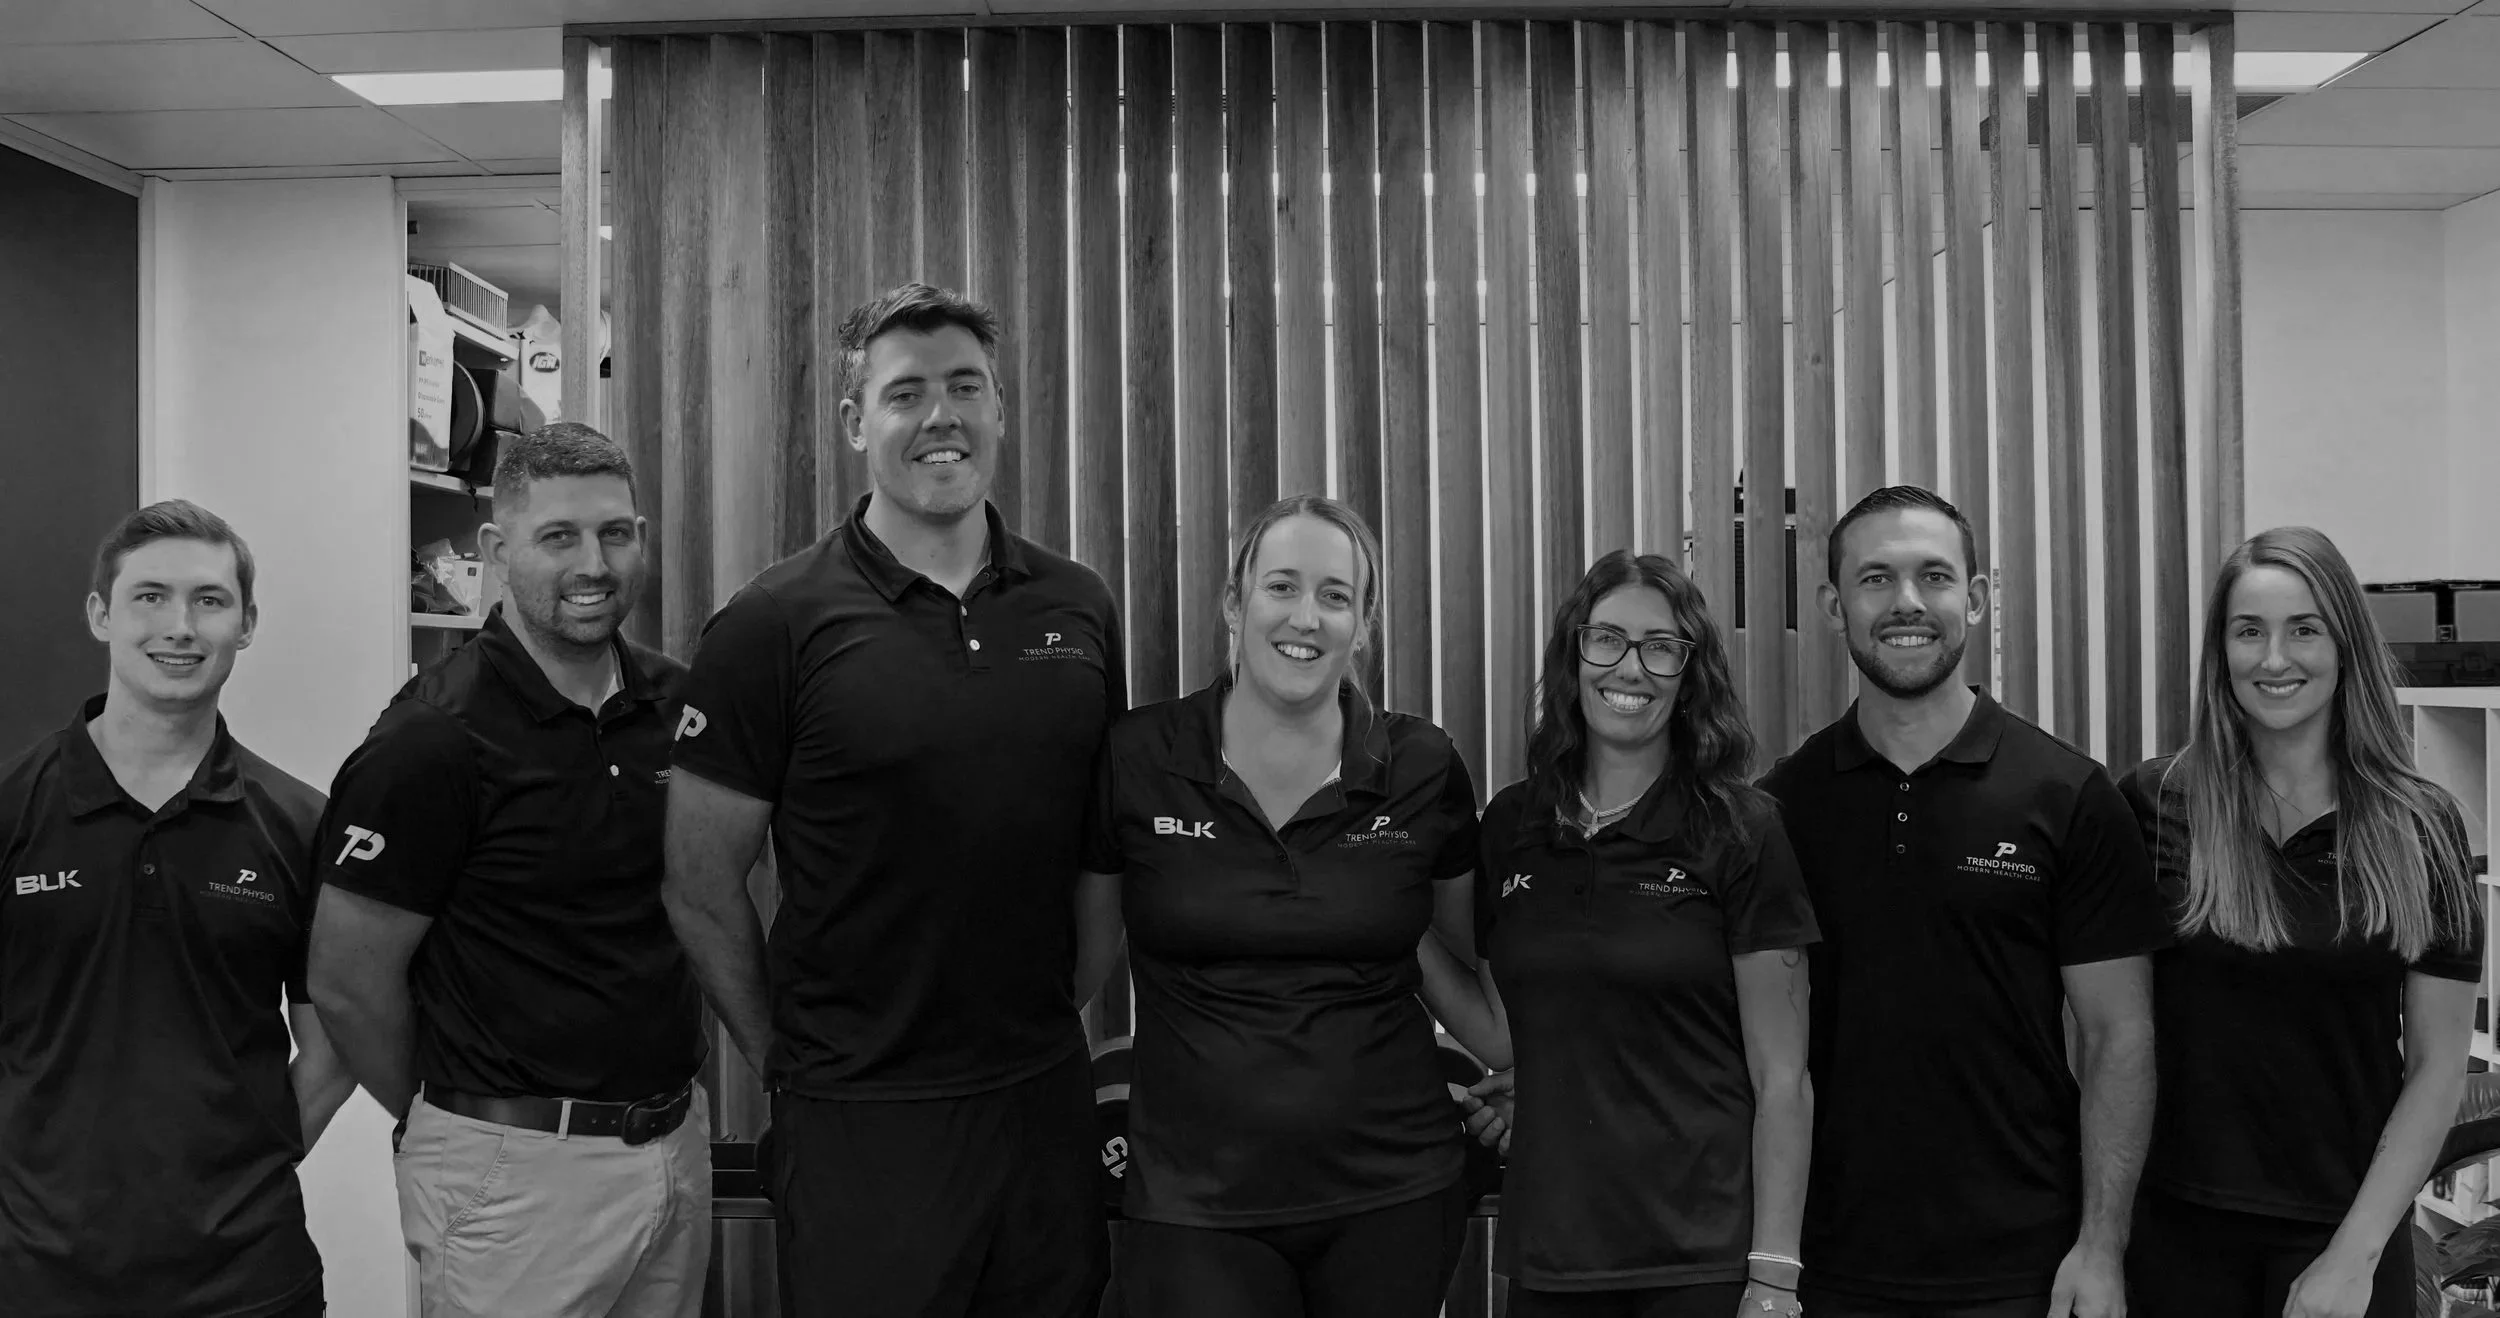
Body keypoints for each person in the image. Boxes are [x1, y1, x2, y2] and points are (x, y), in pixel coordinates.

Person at [664, 283, 1125, 1318]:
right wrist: (788, 1060)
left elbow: (1101, 844)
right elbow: (697, 882)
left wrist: (1055, 1011)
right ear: (855, 420)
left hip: (1040, 1106)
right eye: (905, 393)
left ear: (1000, 408)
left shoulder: (1078, 603)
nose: (940, 417)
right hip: (860, 1120)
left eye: (966, 387)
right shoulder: (772, 622)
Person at [308, 424, 711, 1318]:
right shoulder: (431, 739)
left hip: (673, 1149)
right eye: (558, 537)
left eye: (614, 533)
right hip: (512, 1178)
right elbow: (345, 981)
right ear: (496, 550)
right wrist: (452, 1122)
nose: (592, 565)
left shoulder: (676, 706)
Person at [1759, 485, 2171, 1318]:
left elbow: (2117, 1037)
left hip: (2024, 1265)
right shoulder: (1781, 809)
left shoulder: (2070, 796)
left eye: (1934, 576)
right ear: (1835, 607)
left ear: (1976, 599)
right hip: (1828, 1263)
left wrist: (2100, 1246)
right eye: (1876, 579)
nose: (1907, 602)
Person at [1078, 493, 1485, 1318]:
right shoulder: (1139, 757)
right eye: (1282, 587)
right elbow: (1073, 975)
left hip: (1397, 1192)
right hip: (1194, 1200)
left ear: (1362, 626)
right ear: (1236, 603)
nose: (1306, 617)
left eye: (1335, 596)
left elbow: (1486, 967)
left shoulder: (1421, 765)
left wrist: (1531, 1078)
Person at [1423, 549, 1817, 1318]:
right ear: (1574, 656)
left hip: (1700, 1254)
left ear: (1690, 673)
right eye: (1606, 639)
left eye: (1660, 647)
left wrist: (1774, 1277)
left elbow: (1782, 1078)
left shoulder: (1740, 830)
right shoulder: (1514, 823)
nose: (1629, 668)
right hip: (1554, 1250)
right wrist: (1390, 921)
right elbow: (1503, 1034)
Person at [0, 500, 355, 1318]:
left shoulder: (300, 825)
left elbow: (335, 1041)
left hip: (248, 1279)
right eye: (150, 597)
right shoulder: (13, 811)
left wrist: (258, 1163)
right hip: (35, 1277)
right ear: (102, 615)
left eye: (209, 600)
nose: (180, 627)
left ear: (246, 623)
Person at [2118, 526, 2479, 1318]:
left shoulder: (2422, 825)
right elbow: (2103, 1031)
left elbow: (2437, 1066)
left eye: (2304, 630)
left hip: (2346, 1236)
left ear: (2345, 645)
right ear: (2221, 653)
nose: (2274, 658)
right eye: (2249, 631)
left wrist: (2353, 1258)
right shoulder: (2152, 802)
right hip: (2173, 1231)